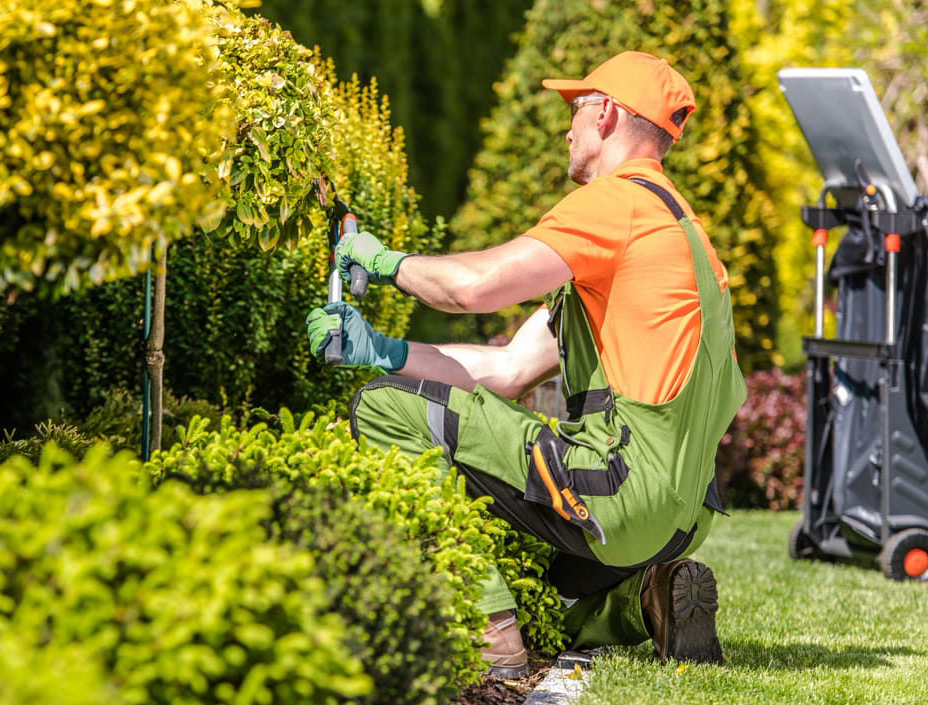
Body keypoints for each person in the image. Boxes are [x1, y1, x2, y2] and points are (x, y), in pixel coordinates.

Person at [305, 51, 745, 675]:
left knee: (381, 408)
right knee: (542, 585)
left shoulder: (616, 204)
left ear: (609, 115)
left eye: (576, 109)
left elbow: (472, 289)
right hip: (680, 516)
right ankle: (644, 600)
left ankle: (489, 634)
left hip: (618, 490)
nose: (567, 127)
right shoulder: (681, 233)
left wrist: (383, 261)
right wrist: (382, 351)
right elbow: (509, 369)